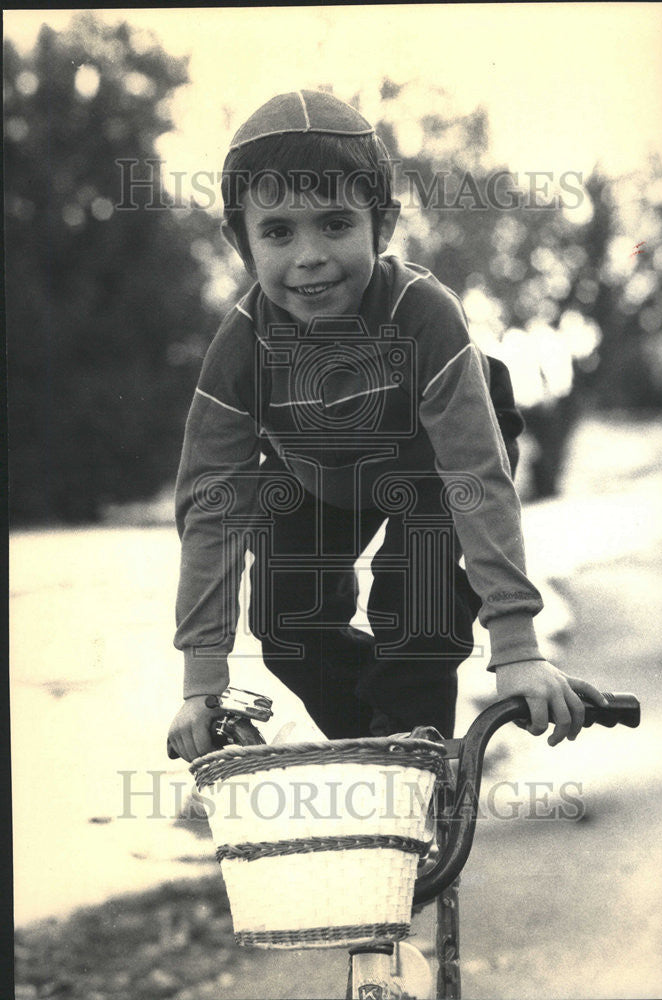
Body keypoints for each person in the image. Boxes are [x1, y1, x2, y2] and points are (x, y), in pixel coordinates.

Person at [167, 90, 606, 761]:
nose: (309, 255)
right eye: (279, 231)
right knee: (288, 628)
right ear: (239, 241)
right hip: (317, 470)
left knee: (416, 616)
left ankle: (413, 764)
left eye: (336, 223)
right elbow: (212, 507)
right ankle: (390, 759)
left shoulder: (424, 315)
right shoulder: (241, 352)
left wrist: (516, 648)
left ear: (384, 223)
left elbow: (475, 479)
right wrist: (203, 683)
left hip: (437, 461)